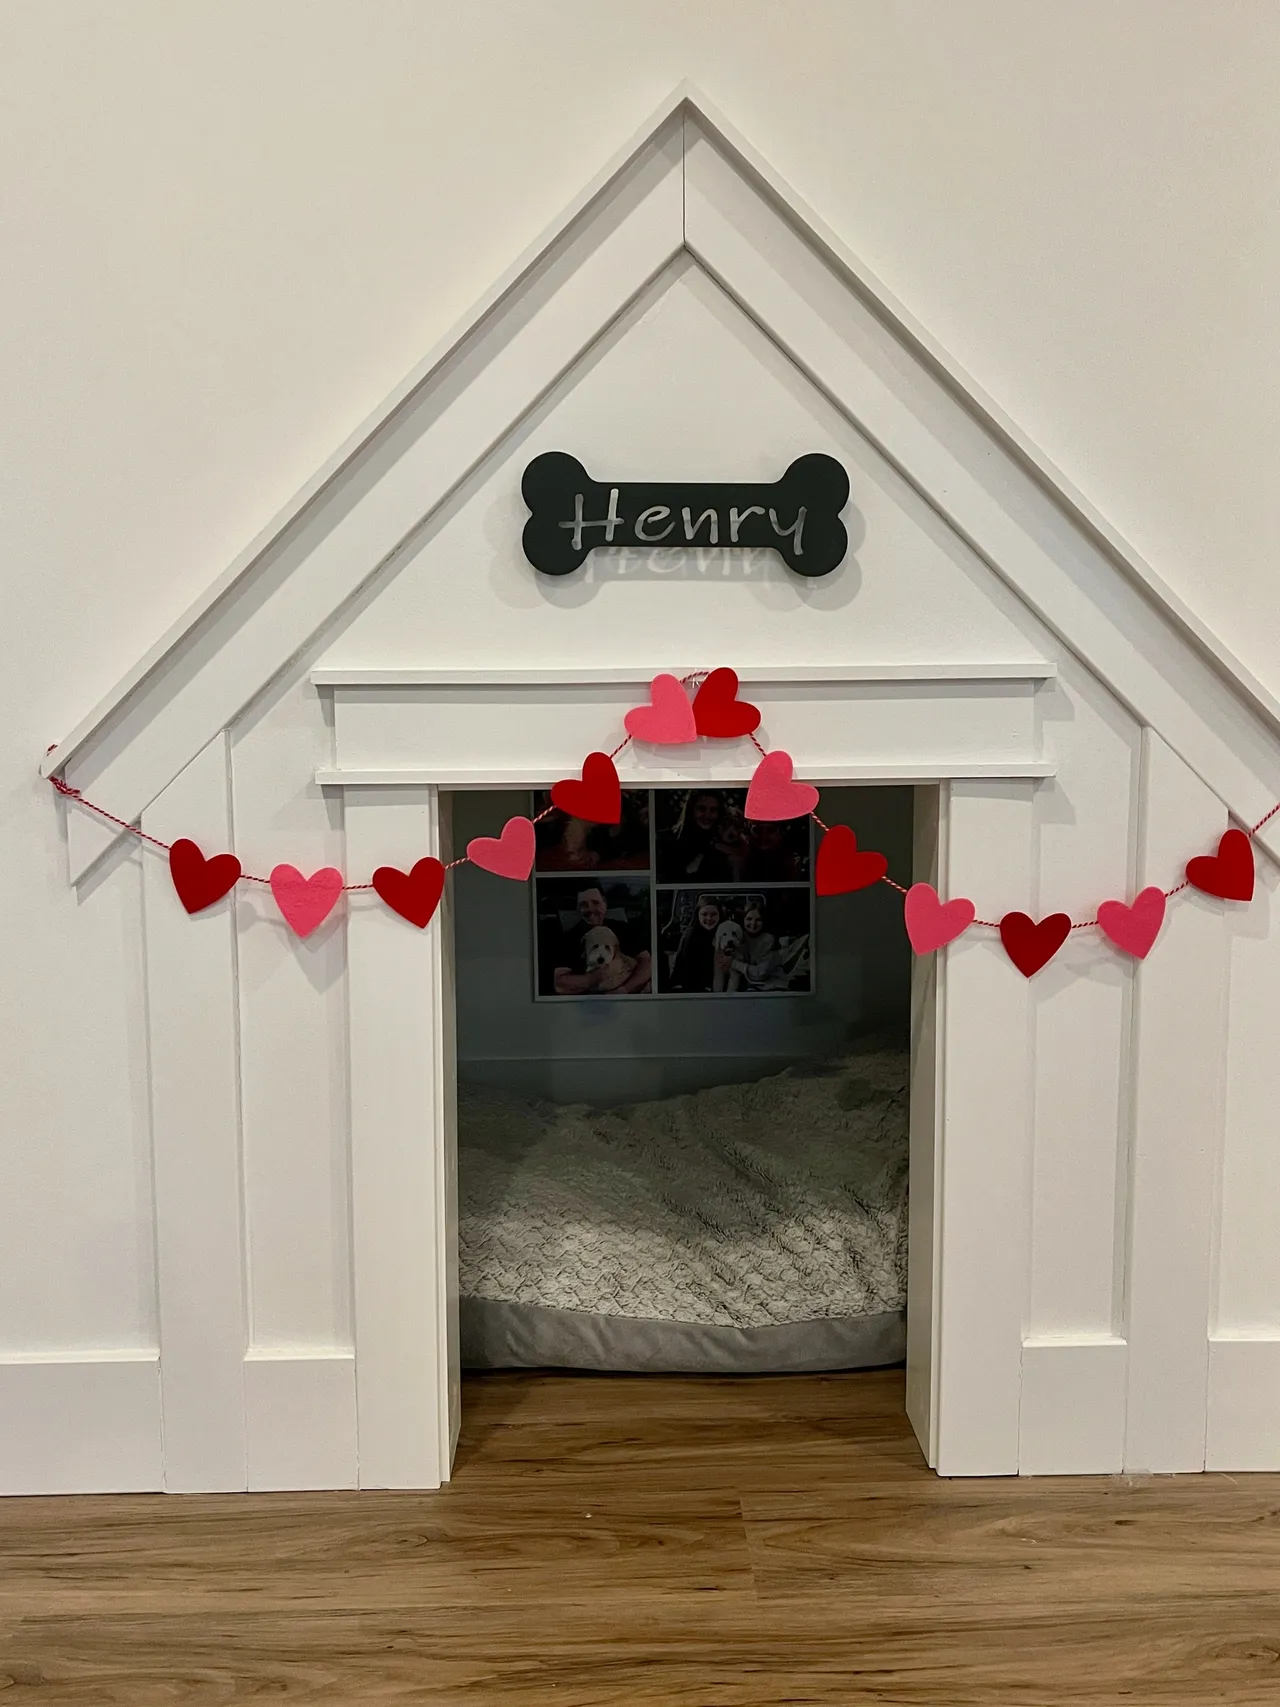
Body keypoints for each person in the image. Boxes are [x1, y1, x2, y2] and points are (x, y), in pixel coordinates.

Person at [548, 883, 652, 995]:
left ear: (605, 903)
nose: (590, 910)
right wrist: (594, 978)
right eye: (583, 905)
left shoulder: (623, 929)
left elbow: (647, 964)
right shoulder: (569, 939)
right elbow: (559, 983)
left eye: (595, 903)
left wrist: (623, 990)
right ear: (578, 909)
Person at [657, 791, 738, 882]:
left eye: (713, 810)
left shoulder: (724, 838)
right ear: (691, 809)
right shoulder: (670, 841)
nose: (707, 815)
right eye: (702, 809)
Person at [666, 894, 722, 992]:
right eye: (704, 914)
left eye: (713, 914)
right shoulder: (691, 936)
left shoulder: (723, 932)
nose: (709, 918)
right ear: (698, 914)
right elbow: (685, 971)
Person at [728, 899, 777, 992]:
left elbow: (761, 974)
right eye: (749, 919)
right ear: (743, 919)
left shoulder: (769, 940)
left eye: (758, 920)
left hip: (766, 986)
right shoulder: (737, 936)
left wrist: (733, 964)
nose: (753, 924)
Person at [742, 818, 806, 883]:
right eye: (757, 830)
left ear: (781, 833)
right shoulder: (743, 859)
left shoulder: (793, 863)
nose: (763, 836)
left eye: (770, 830)